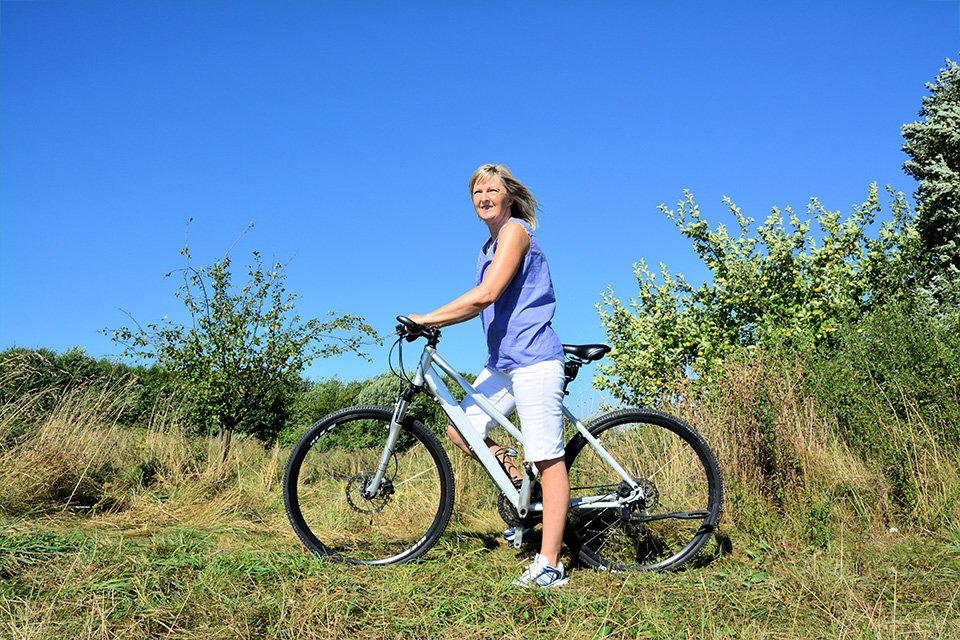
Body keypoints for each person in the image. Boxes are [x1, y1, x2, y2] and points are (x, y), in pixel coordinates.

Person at [408, 163, 570, 589]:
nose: (484, 198)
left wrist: (427, 318)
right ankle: (520, 486)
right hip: (503, 364)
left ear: (509, 196)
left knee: (547, 457)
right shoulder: (488, 246)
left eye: (492, 190)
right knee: (462, 429)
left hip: (534, 360)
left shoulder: (515, 232)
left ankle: (550, 565)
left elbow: (486, 295)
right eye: (477, 192)